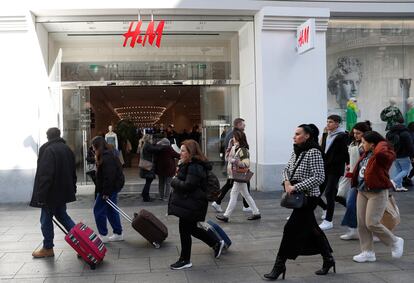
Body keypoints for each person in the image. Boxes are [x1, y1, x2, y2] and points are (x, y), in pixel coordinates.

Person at [264, 124, 334, 280]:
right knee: (313, 229)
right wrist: (287, 182)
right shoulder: (296, 150)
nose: (293, 136)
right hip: (297, 195)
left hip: (309, 197)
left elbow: (319, 177)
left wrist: (296, 186)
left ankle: (279, 266)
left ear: (307, 135)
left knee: (290, 229)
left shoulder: (314, 152)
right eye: (294, 134)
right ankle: (329, 259)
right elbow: (286, 169)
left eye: (297, 134)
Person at [168, 140, 225, 270]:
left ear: (190, 152)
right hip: (191, 203)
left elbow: (189, 185)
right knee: (191, 229)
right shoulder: (189, 163)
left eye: (183, 151)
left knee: (185, 231)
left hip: (192, 204)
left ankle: (185, 260)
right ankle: (216, 243)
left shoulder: (194, 166)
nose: (180, 153)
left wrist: (174, 181)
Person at [351, 131, 404, 263]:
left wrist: (381, 143)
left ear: (373, 144)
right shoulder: (367, 153)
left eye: (364, 142)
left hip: (377, 191)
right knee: (362, 224)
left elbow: (383, 153)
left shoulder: (382, 153)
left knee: (372, 223)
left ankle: (395, 241)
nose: (361, 145)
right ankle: (367, 252)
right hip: (362, 190)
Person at [30, 127, 77, 258]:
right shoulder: (67, 149)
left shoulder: (48, 150)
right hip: (63, 192)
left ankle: (48, 248)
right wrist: (73, 188)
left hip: (51, 194)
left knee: (45, 220)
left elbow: (46, 175)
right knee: (63, 216)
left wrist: (41, 195)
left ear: (48, 137)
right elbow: (73, 172)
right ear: (59, 135)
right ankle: (80, 243)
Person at [215, 129, 261, 222]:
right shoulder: (234, 147)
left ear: (238, 138)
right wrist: (229, 146)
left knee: (233, 194)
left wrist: (234, 161)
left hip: (240, 176)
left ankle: (226, 216)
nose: (232, 138)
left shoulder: (243, 150)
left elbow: (246, 164)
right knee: (246, 195)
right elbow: (227, 158)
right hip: (235, 176)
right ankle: (256, 212)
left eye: (234, 137)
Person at [340, 121, 372, 240]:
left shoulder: (368, 145)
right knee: (351, 203)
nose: (355, 135)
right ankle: (353, 229)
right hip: (355, 177)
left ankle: (374, 231)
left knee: (359, 205)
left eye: (358, 133)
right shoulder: (354, 143)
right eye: (354, 133)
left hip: (364, 179)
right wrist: (350, 166)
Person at [212, 118, 252, 213]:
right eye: (243, 124)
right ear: (238, 125)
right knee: (240, 183)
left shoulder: (230, 134)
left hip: (232, 165)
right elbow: (238, 150)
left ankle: (217, 202)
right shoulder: (237, 135)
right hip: (236, 166)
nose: (244, 126)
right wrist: (237, 161)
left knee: (230, 184)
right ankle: (245, 206)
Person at [319, 115, 349, 230]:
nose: (328, 124)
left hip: (335, 168)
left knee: (329, 193)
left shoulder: (342, 136)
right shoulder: (327, 134)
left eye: (330, 122)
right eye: (327, 121)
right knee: (319, 192)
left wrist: (348, 163)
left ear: (337, 124)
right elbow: (323, 149)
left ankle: (328, 220)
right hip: (324, 167)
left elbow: (344, 152)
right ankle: (349, 206)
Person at [91, 136, 123, 243]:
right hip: (113, 187)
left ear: (97, 146)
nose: (93, 150)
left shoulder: (106, 157)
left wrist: (105, 192)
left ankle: (103, 235)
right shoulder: (110, 153)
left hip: (108, 189)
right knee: (111, 209)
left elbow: (109, 176)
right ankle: (118, 233)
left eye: (93, 147)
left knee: (98, 210)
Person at [386, 123, 414, 192]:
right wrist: (412, 155)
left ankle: (399, 186)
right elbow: (410, 146)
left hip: (394, 155)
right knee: (405, 170)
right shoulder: (405, 133)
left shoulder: (390, 134)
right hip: (404, 155)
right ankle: (394, 181)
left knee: (399, 170)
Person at [138, 134, 156, 202]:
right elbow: (156, 149)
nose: (152, 140)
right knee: (148, 181)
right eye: (151, 138)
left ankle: (144, 194)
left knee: (148, 181)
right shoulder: (147, 145)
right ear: (148, 139)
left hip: (145, 164)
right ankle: (145, 196)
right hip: (148, 165)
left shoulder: (143, 144)